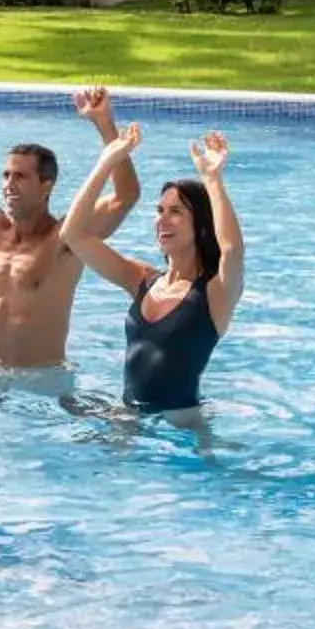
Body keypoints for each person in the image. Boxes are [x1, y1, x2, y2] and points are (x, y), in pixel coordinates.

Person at [0, 80, 138, 369]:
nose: (9, 185)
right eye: (6, 175)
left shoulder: (67, 238)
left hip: (45, 379)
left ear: (46, 186)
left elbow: (125, 197)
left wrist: (104, 125)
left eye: (20, 177)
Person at [59, 126, 244, 415]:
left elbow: (231, 249)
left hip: (181, 432)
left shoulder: (216, 293)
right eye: (159, 211)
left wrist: (212, 179)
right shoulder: (142, 280)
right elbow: (73, 235)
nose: (162, 221)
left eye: (176, 212)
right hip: (129, 419)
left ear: (202, 225)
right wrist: (106, 161)